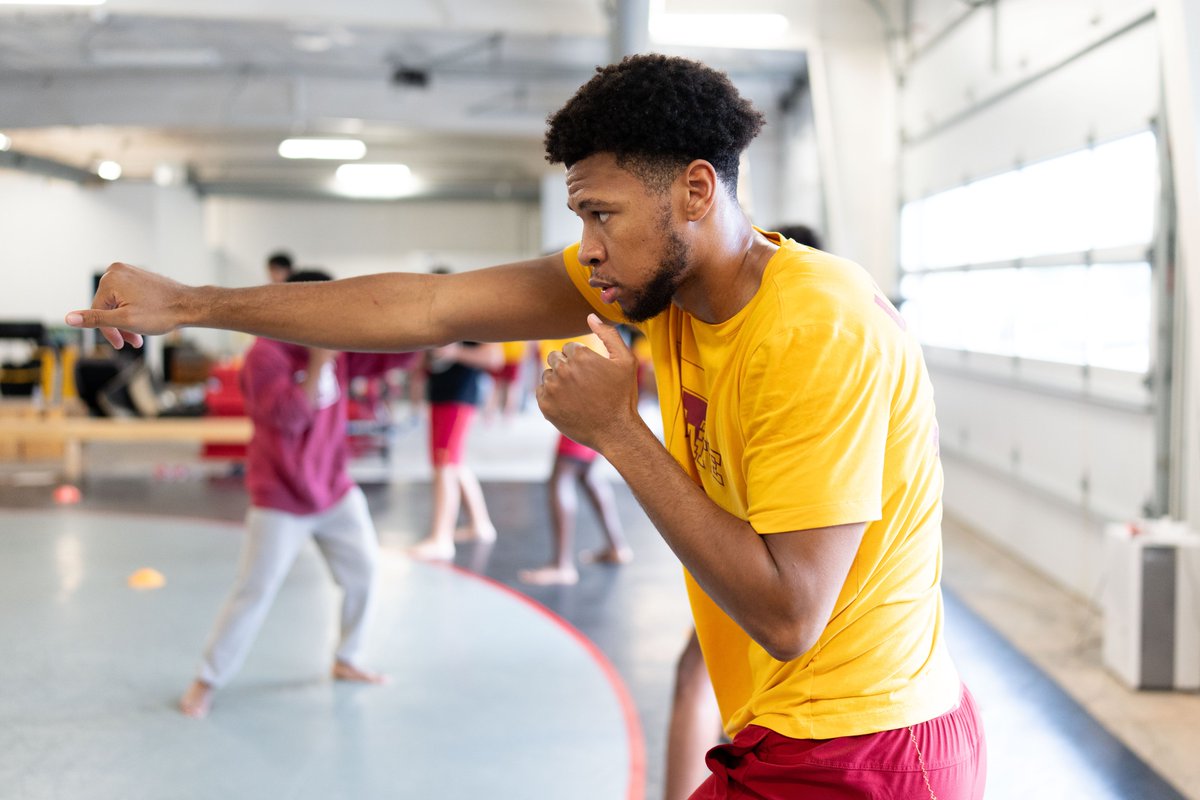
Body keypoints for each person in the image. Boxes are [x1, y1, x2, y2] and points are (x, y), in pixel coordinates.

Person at [70, 54, 986, 797]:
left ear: (696, 192)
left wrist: (621, 434)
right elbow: (427, 308)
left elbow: (790, 614)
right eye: (580, 215)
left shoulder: (812, 325)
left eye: (602, 214)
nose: (587, 245)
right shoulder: (664, 282)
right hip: (801, 734)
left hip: (864, 751)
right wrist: (191, 303)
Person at [178, 269, 411, 719]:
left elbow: (384, 357)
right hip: (281, 496)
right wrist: (319, 362)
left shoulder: (336, 345)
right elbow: (287, 418)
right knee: (255, 590)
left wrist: (430, 335)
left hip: (334, 489)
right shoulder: (264, 356)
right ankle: (205, 681)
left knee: (363, 573)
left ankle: (347, 659)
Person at [663, 222, 828, 800]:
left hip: (837, 709)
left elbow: (790, 616)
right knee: (695, 673)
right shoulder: (718, 326)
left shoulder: (811, 337)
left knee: (701, 676)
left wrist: (617, 432)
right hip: (750, 557)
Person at [518, 334, 632, 586]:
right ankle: (617, 547)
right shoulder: (577, 324)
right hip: (598, 403)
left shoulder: (575, 324)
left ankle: (562, 566)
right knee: (587, 475)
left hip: (589, 403)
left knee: (561, 476)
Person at [407, 267, 503, 562]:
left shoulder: (471, 317)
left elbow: (494, 358)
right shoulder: (436, 320)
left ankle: (441, 538)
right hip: (441, 394)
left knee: (444, 464)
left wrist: (455, 353)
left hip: (459, 396)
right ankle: (479, 524)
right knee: (453, 462)